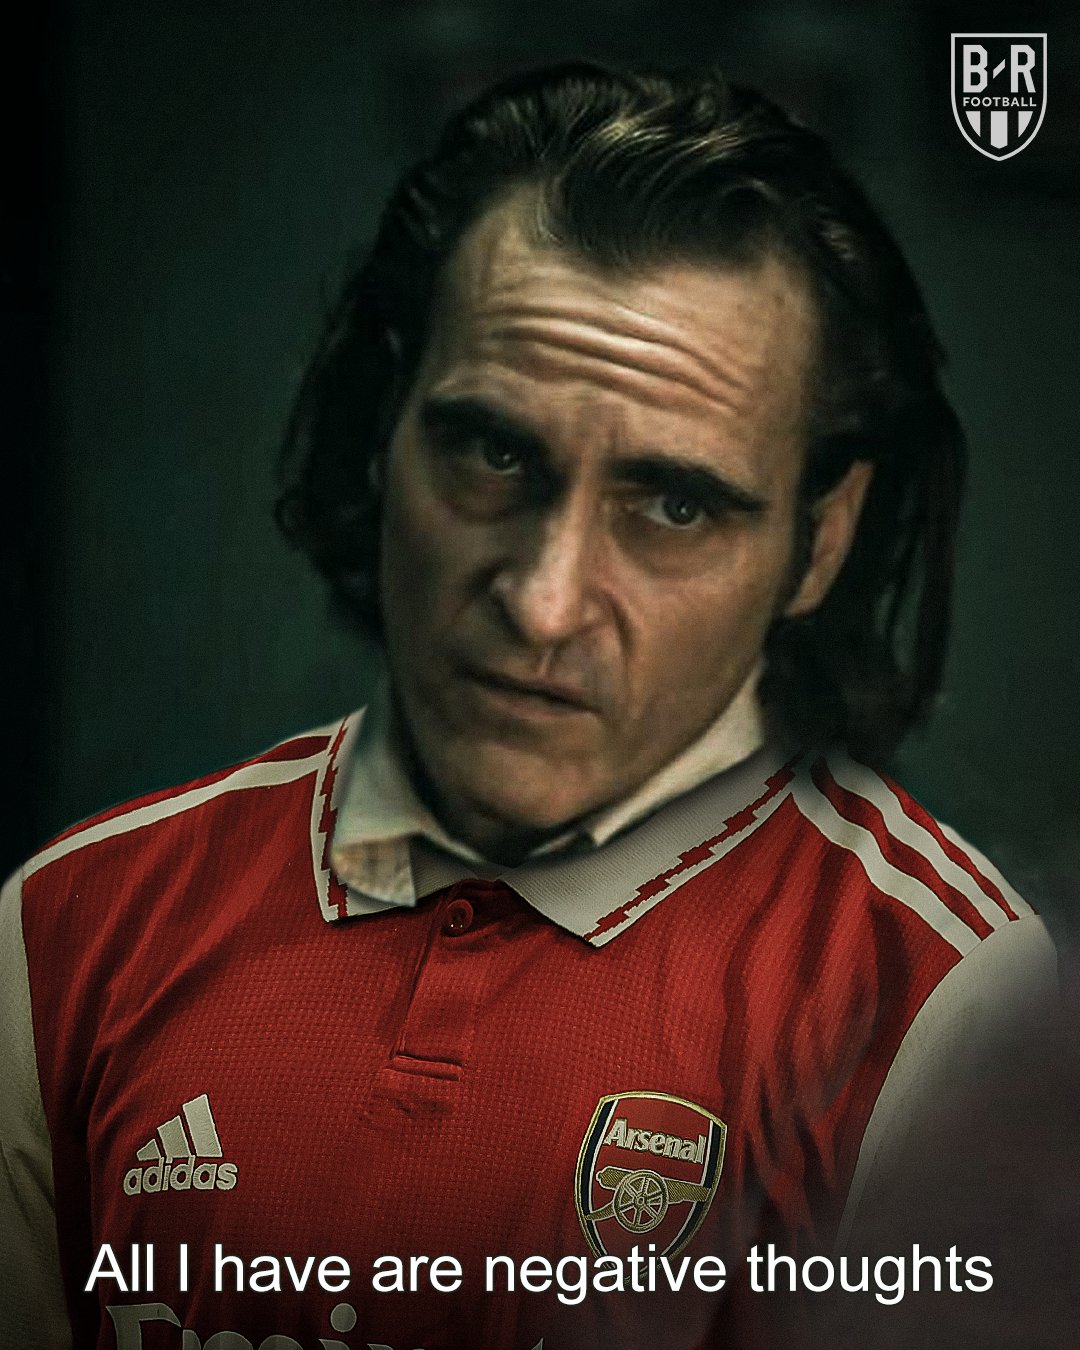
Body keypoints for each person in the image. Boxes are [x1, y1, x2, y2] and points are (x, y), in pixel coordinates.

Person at [0, 63, 1055, 1350]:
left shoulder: (935, 1001)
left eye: (675, 505)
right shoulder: (71, 930)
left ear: (819, 541)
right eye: (496, 453)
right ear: (385, 429)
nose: (545, 603)